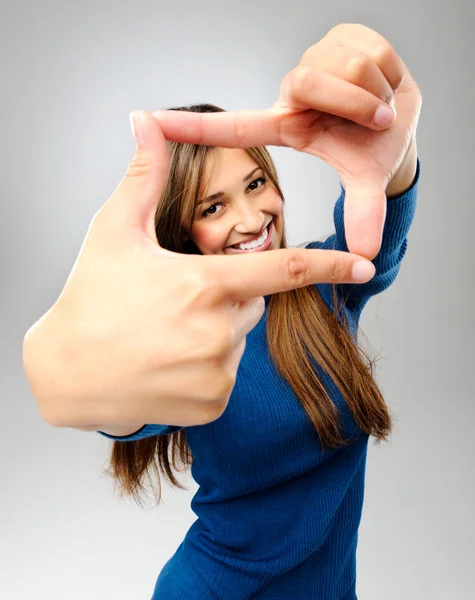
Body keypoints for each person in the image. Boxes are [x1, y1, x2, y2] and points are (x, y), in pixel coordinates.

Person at [23, 23, 421, 600]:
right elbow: (127, 401)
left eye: (256, 182)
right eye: (214, 205)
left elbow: (377, 238)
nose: (251, 217)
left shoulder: (322, 291)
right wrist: (72, 372)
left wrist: (395, 155)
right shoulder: (192, 343)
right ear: (182, 233)